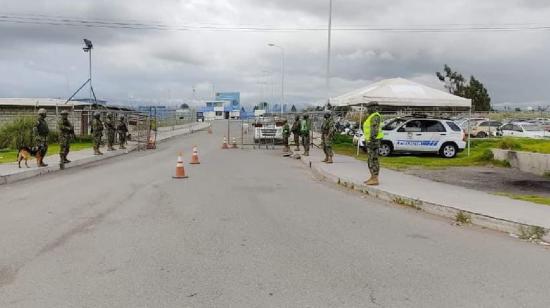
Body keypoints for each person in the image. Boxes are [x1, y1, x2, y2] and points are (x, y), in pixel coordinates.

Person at [363, 102, 384, 185]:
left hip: (373, 141)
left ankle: (375, 179)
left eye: (369, 107)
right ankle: (372, 177)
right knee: (371, 159)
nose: (367, 109)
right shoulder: (372, 116)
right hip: (371, 141)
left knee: (373, 159)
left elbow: (374, 130)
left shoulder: (375, 116)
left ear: (373, 107)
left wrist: (370, 140)